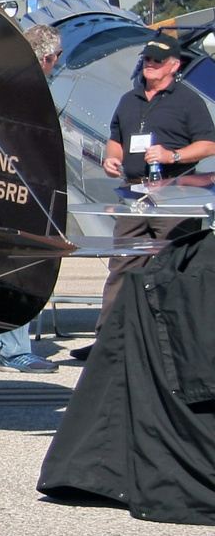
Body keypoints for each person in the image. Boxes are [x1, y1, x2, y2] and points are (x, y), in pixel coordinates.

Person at [83, 33, 215, 351]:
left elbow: (209, 143)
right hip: (134, 194)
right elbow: (116, 137)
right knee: (123, 263)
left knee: (170, 265)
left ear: (174, 65)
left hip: (174, 194)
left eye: (157, 60)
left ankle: (171, 343)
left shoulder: (187, 100)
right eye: (147, 59)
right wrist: (111, 158)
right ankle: (108, 340)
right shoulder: (130, 99)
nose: (150, 64)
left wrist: (174, 156)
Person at [0, 24, 64, 373]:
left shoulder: (7, 85)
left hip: (15, 185)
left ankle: (12, 344)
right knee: (20, 267)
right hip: (20, 190)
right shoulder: (28, 92)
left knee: (22, 265)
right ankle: (12, 348)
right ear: (46, 57)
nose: (57, 64)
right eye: (58, 57)